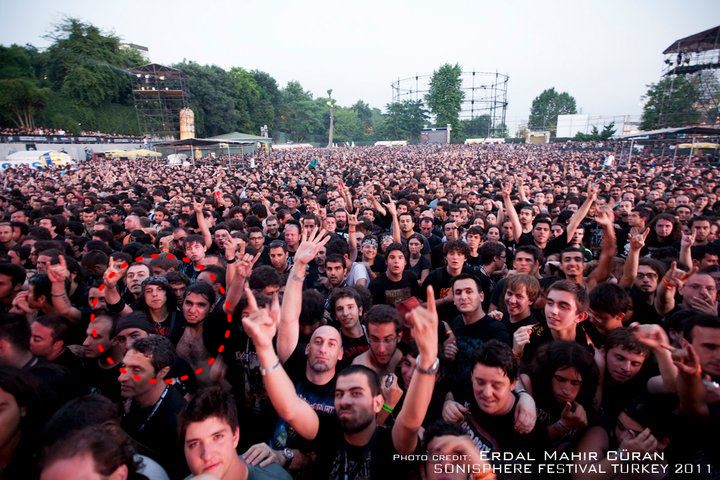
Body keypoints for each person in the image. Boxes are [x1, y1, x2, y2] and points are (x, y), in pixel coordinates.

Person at [242, 285, 439, 479]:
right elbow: (290, 408)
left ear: (378, 403)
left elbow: (411, 422)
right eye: (339, 394)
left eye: (356, 393)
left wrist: (428, 360)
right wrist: (265, 347)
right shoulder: (328, 432)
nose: (345, 400)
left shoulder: (390, 445)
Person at [180, 386, 292, 480]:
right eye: (194, 444)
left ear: (235, 436)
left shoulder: (276, 477)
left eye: (217, 437)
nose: (207, 456)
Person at [119, 335, 188, 478]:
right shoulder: (124, 395)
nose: (121, 377)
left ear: (162, 372)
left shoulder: (178, 421)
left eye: (136, 370)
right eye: (124, 366)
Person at [352, 304, 404, 377]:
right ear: (367, 337)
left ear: (399, 337)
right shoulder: (359, 369)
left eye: (388, 340)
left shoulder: (400, 358)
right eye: (375, 340)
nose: (381, 349)